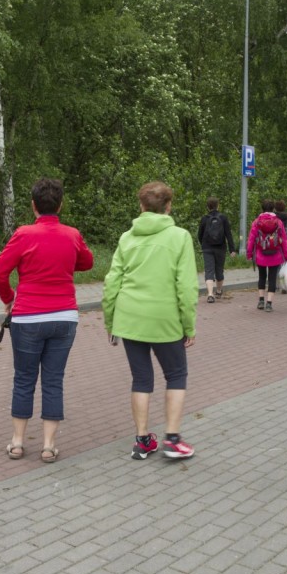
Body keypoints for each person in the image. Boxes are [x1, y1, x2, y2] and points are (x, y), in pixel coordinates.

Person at [0, 178, 94, 463]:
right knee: (53, 380)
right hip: (64, 317)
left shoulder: (23, 234)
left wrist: (9, 298)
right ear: (59, 205)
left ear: (33, 205)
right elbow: (87, 263)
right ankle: (48, 446)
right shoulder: (72, 234)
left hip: (27, 318)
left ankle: (17, 443)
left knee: (24, 379)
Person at [103, 181, 198, 460]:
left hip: (130, 317)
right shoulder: (180, 237)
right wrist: (189, 325)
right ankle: (172, 439)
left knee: (141, 379)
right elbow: (186, 287)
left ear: (141, 207)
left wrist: (110, 321)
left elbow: (112, 283)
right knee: (176, 375)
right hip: (165, 319)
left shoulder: (127, 238)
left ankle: (143, 441)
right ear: (168, 207)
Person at [246, 199, 287, 312]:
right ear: (273, 209)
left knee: (262, 277)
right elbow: (285, 240)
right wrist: (286, 255)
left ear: (262, 209)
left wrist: (249, 253)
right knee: (272, 278)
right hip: (275, 254)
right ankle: (269, 303)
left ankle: (261, 300)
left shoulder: (257, 222)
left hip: (260, 254)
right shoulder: (278, 222)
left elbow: (251, 239)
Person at [197, 196, 237, 303]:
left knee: (209, 271)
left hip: (207, 248)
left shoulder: (204, 218)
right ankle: (218, 291)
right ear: (218, 205)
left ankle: (210, 294)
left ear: (207, 207)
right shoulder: (223, 218)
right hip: (220, 248)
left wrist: (203, 244)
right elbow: (228, 234)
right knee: (219, 270)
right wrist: (232, 249)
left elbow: (199, 235)